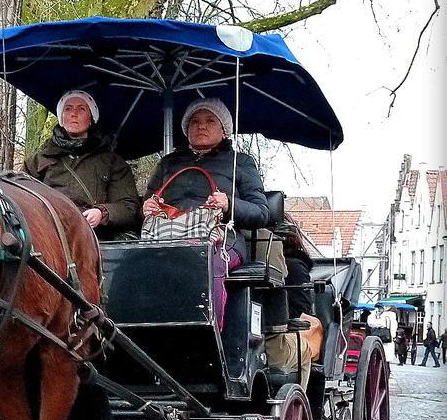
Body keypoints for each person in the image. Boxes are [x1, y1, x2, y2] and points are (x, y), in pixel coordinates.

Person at [142, 97, 269, 330]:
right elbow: (147, 203)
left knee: (207, 261)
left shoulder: (240, 163)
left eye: (210, 120)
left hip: (222, 239)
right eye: (194, 122)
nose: (201, 126)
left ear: (224, 131)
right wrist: (148, 207)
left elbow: (262, 212)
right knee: (130, 266)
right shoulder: (168, 164)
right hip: (167, 237)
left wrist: (229, 204)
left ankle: (207, 336)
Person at [24, 90, 139, 240]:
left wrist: (102, 213)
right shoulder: (38, 160)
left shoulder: (113, 162)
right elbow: (23, 200)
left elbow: (129, 207)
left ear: (91, 118)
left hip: (96, 240)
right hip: (49, 239)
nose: (74, 114)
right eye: (68, 109)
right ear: (61, 117)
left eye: (81, 109)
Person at [264, 215, 323, 391]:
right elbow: (300, 310)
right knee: (303, 351)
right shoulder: (293, 266)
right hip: (270, 341)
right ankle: (300, 405)